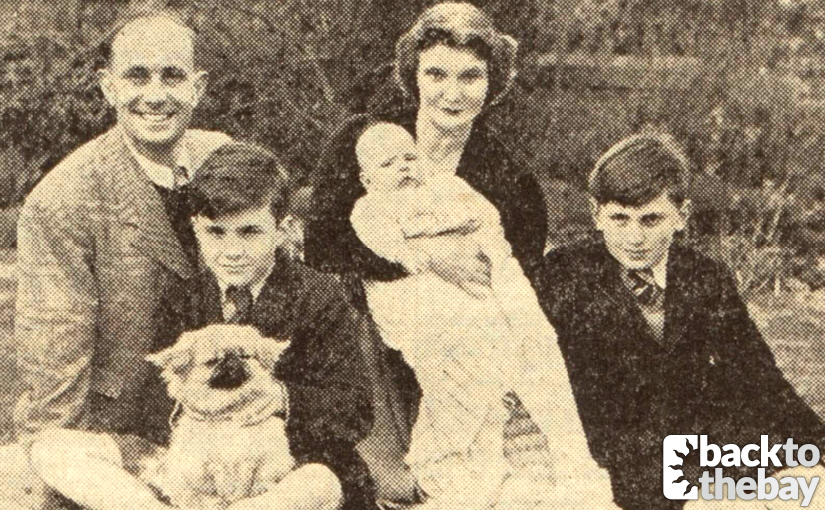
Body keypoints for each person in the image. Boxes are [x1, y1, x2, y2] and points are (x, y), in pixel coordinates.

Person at [30, 143, 377, 510]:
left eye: (249, 232)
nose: (232, 251)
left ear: (282, 229)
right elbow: (154, 403)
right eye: (216, 232)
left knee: (317, 484)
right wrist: (189, 406)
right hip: (194, 458)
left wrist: (282, 397)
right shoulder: (186, 295)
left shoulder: (318, 295)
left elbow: (355, 409)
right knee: (52, 448)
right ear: (197, 229)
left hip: (287, 461)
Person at [304, 3, 548, 499]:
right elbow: (322, 244)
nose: (451, 93)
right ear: (413, 75)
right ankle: (385, 467)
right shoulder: (364, 139)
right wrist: (424, 259)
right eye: (435, 73)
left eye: (470, 76)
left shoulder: (510, 180)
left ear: (493, 81)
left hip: (459, 326)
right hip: (368, 315)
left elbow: (518, 279)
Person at [8, 9, 230, 508]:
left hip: (233, 419)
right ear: (108, 87)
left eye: (172, 76)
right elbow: (53, 364)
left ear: (198, 87)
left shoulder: (225, 158)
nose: (155, 95)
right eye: (137, 76)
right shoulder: (64, 200)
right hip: (126, 437)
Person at [536, 133, 825, 510]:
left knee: (812, 484)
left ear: (682, 216)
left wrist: (816, 446)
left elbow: (758, 377)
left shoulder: (704, 275)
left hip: (705, 447)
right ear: (596, 215)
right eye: (619, 219)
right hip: (619, 458)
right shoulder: (563, 275)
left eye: (651, 219)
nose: (634, 237)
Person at [349, 122, 617, 509]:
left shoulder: (448, 188)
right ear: (366, 178)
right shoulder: (371, 208)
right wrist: (432, 253)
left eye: (410, 157)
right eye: (389, 163)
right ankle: (478, 463)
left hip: (486, 275)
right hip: (425, 289)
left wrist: (464, 240)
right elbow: (389, 249)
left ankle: (553, 452)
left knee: (534, 336)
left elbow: (488, 224)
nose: (404, 167)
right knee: (464, 348)